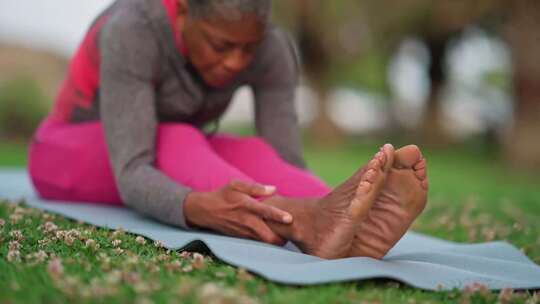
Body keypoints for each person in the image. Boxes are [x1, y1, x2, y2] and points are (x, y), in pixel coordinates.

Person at [27, 0, 429, 259]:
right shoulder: (133, 31)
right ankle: (307, 222)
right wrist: (193, 206)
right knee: (178, 137)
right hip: (64, 154)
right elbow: (132, 169)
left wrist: (314, 191)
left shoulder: (272, 49)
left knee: (252, 153)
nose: (237, 62)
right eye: (221, 46)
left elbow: (282, 158)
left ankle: (342, 215)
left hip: (169, 152)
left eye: (248, 49)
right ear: (183, 12)